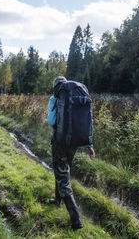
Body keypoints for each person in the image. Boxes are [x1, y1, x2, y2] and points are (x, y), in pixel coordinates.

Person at [48, 76, 95, 230]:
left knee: (62, 177)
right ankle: (57, 200)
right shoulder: (79, 94)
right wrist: (90, 144)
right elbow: (88, 120)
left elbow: (51, 121)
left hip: (60, 142)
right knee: (62, 170)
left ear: (56, 86)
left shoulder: (55, 98)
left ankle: (76, 220)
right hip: (75, 142)